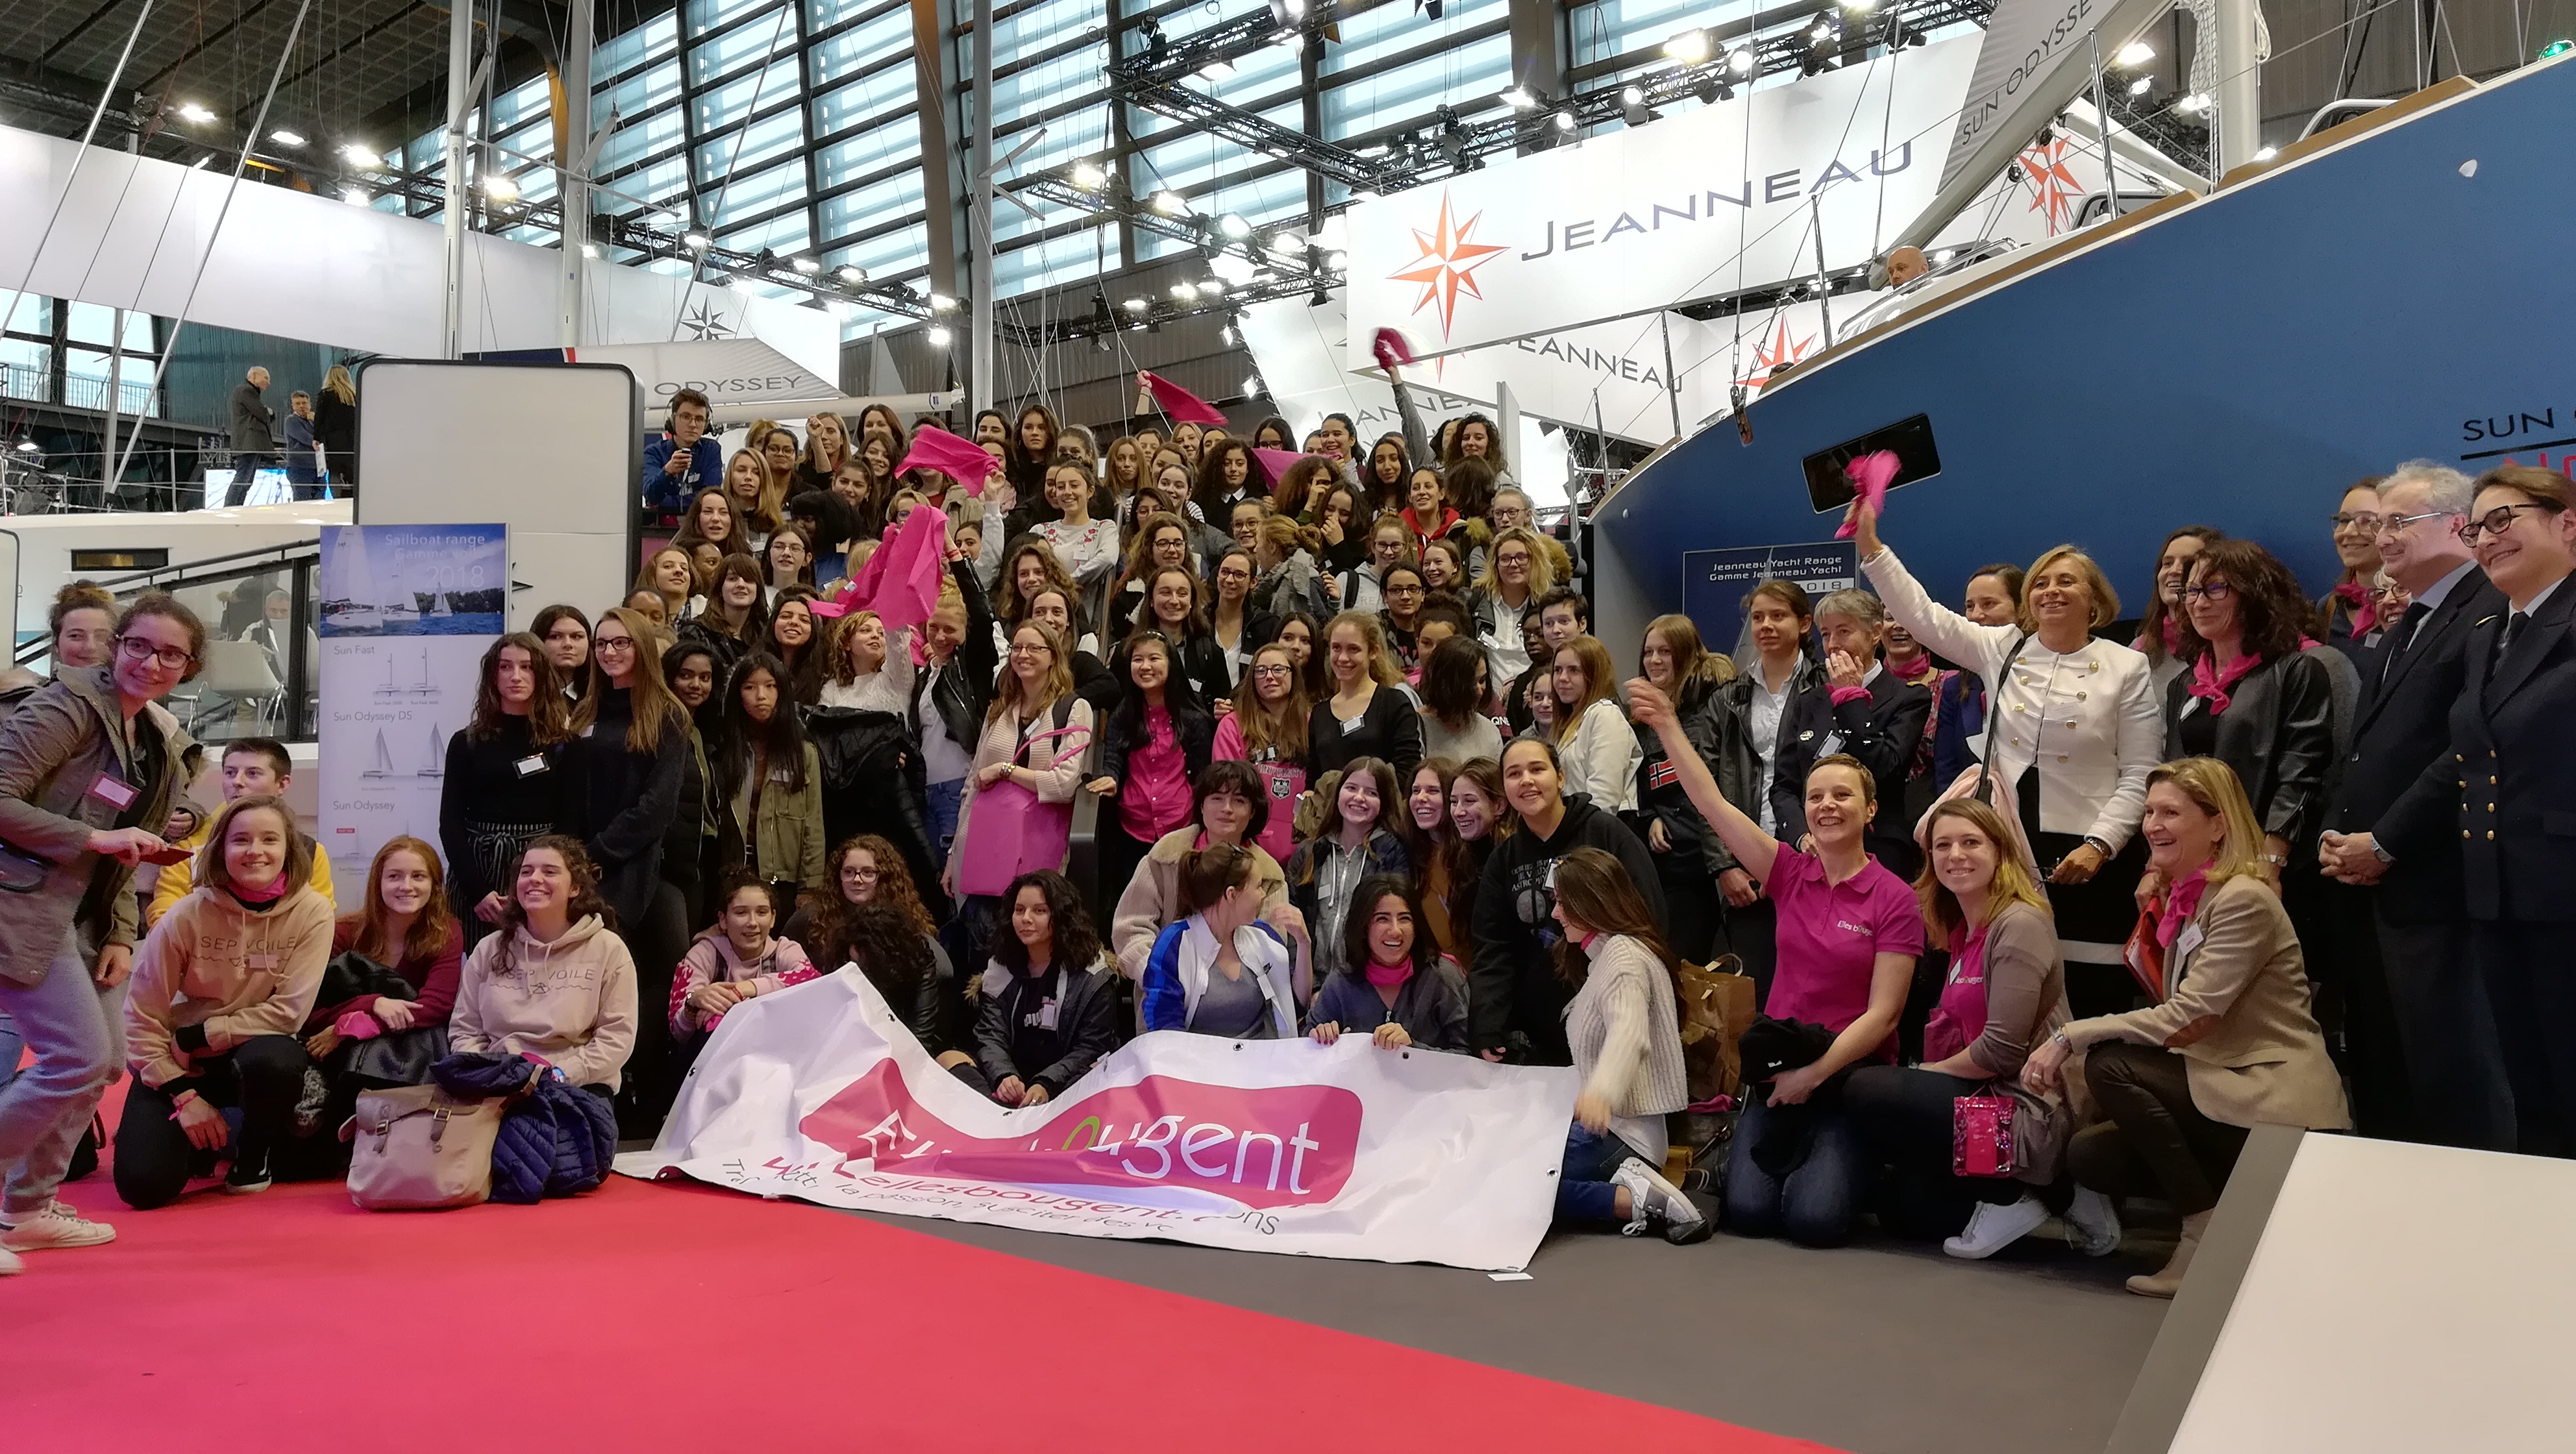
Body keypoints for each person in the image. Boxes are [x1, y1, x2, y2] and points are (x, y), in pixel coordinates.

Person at [2023, 759, 2349, 1296]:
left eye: (2171, 812)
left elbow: (2190, 1016)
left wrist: (2070, 1035)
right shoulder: (2188, 898)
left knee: (2112, 1064)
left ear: (2217, 825)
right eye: (2149, 811)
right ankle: (2243, 1226)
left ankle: (2206, 1234)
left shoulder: (2243, 898)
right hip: (2223, 1083)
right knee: (2093, 1155)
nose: (2153, 824)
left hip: (2275, 1095)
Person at [1629, 681, 1920, 1248]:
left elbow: (1885, 1017)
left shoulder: (1895, 898)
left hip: (1845, 1076)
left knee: (1814, 1222)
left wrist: (1814, 1077)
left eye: (1842, 796)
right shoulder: (1788, 871)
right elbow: (1713, 803)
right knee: (1752, 1215)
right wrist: (1667, 725)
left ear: (1871, 809)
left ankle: (1863, 1163)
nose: (1827, 807)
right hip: (1779, 1067)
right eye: (1816, 797)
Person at [1851, 502, 2159, 1018]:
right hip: (2012, 843)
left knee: (2090, 995)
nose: (2051, 591)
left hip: (2090, 854)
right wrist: (1871, 547)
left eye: (2067, 581)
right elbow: (1921, 615)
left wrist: (2101, 844)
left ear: (2096, 599)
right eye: (2041, 582)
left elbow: (2140, 773)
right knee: (2012, 982)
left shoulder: (2127, 666)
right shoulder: (2003, 648)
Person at [2368, 464, 2576, 1158]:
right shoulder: (2491, 629)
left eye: (2502, 519)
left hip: (2564, 890)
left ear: (2566, 524)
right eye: (2476, 526)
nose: (2486, 539)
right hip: (2496, 893)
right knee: (2532, 1094)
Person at [0, 593, 203, 1261]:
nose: (150, 661)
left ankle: (27, 1207)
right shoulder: (67, 706)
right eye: (139, 644)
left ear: (189, 666)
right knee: (75, 1057)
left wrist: (120, 931)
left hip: (87, 916)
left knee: (104, 1060)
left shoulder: (154, 736)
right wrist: (91, 837)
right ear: (119, 645)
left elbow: (124, 844)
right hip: (23, 903)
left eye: (169, 653)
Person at [2315, 462, 2511, 1150]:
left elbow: (2465, 746)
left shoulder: (2486, 611)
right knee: (2386, 1075)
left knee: (2452, 1079)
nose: (2380, 536)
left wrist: (2386, 840)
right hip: (2371, 888)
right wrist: (2338, 833)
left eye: (2398, 521)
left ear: (2456, 526)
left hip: (2436, 882)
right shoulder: (2410, 619)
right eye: (2374, 522)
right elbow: (2365, 750)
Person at [1844, 798, 2122, 1259]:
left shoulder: (2020, 924)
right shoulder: (1963, 928)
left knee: (1870, 1088)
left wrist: (1922, 1075)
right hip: (1987, 1097)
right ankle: (2059, 1196)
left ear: (2000, 852)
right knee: (1907, 1214)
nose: (1956, 855)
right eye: (1943, 845)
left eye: (1971, 843)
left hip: (2028, 1107)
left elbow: (1999, 1054)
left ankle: (2013, 1194)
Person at [115, 795, 334, 1206]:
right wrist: (183, 1095)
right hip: (182, 1063)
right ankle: (198, 1141)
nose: (255, 852)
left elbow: (288, 1013)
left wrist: (200, 1033)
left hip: (251, 1052)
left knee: (276, 1058)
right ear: (221, 849)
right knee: (142, 1187)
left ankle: (253, 1155)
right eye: (241, 840)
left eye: (270, 840)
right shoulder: (185, 915)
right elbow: (141, 1015)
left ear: (288, 849)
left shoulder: (313, 912)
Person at [1540, 848, 1708, 1242]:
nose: (1555, 914)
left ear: (1591, 902)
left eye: (1563, 903)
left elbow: (1628, 1032)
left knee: (1514, 1183)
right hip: (1615, 1132)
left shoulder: (1623, 958)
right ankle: (1637, 1198)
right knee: (1514, 1179)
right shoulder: (1607, 958)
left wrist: (1602, 1092)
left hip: (1620, 1136)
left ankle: (1636, 1199)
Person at [1470, 737, 1665, 1066]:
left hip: (1614, 1017)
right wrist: (1488, 1022)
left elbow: (1648, 916)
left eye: (1537, 769)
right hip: (1539, 1032)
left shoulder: (1605, 833)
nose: (1527, 781)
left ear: (1560, 777)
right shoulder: (1503, 860)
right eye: (1514, 774)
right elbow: (1493, 947)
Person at [2161, 538, 2334, 891]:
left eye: (2215, 588)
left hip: (2266, 862)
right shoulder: (2184, 682)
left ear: (2252, 595)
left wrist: (2272, 858)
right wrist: (2160, 865)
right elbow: (2175, 777)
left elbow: (2301, 773)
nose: (2199, 602)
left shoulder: (2296, 671)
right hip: (2199, 860)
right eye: (2192, 591)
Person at [571, 608, 689, 1124]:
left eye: (621, 643)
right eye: (602, 644)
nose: (610, 652)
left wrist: (594, 853)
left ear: (641, 647)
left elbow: (656, 809)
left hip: (635, 874)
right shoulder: (582, 713)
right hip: (578, 873)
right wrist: (574, 859)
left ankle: (640, 1108)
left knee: (638, 996)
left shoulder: (667, 715)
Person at [450, 836, 639, 1097]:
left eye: (549, 872)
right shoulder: (489, 948)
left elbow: (617, 1039)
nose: (535, 879)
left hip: (577, 1086)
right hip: (497, 1084)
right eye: (526, 872)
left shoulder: (609, 949)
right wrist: (486, 1073)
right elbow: (465, 1029)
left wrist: (562, 1074)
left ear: (574, 887)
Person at [1777, 590, 1932, 882]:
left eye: (1844, 632)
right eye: (1826, 634)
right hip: (1812, 849)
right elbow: (1785, 785)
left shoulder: (1908, 697)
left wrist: (1851, 698)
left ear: (1875, 633)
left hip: (1877, 848)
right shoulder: (1809, 701)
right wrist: (1800, 835)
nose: (1833, 645)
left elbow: (1886, 769)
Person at [944, 621, 1096, 909]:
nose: (1023, 655)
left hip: (1036, 848)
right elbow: (973, 785)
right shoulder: (999, 709)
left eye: (1034, 648)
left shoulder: (1073, 708)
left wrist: (1006, 771)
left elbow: (1063, 785)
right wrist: (955, 855)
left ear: (1053, 656)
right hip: (984, 847)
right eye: (1017, 648)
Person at [441, 634, 577, 952]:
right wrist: (478, 892)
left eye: (527, 667)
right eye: (506, 667)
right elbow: (450, 823)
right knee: (479, 965)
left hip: (538, 868)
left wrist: (542, 878)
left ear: (541, 675)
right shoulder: (466, 743)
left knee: (537, 959)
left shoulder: (564, 745)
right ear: (493, 675)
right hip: (477, 868)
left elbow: (570, 826)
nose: (516, 677)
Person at [308, 835, 462, 1087]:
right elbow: (312, 1013)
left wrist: (354, 1024)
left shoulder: (448, 932)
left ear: (435, 885)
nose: (406, 886)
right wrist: (373, 1003)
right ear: (377, 883)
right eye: (394, 876)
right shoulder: (343, 931)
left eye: (419, 876)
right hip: (343, 1059)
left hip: (411, 1052)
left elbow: (436, 1006)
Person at [1632, 614, 1737, 963]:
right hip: (1665, 864)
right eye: (1649, 652)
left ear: (1687, 654)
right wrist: (1649, 818)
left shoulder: (1714, 707)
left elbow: (1724, 783)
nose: (1655, 660)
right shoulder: (1641, 719)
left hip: (1710, 860)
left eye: (1665, 651)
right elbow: (1638, 784)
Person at [1087, 631, 1216, 912]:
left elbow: (1205, 774)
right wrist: (1111, 776)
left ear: (1170, 664)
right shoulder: (1124, 713)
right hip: (1133, 828)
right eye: (1137, 660)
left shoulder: (1193, 719)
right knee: (1136, 906)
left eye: (1154, 658)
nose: (1145, 666)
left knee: (1180, 904)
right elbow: (1113, 755)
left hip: (1181, 825)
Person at [147, 738, 337, 927]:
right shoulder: (188, 845)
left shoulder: (310, 852)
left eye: (253, 774)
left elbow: (320, 921)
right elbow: (164, 916)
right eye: (230, 773)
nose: (237, 782)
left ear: (282, 784)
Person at [965, 871, 1119, 1103]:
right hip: (1015, 1083)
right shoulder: (1000, 970)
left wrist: (1046, 1083)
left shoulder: (1093, 976)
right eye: (1019, 910)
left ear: (1061, 916)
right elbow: (990, 1035)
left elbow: (1091, 1048)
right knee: (952, 1060)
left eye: (1039, 911)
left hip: (1069, 1084)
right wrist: (1004, 1076)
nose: (1026, 918)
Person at [790, 835, 958, 1043]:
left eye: (868, 873)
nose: (857, 879)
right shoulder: (812, 916)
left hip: (896, 1030)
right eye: (849, 872)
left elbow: (944, 970)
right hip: (825, 1028)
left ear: (885, 877)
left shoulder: (904, 923)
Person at [1143, 844, 1301, 1040]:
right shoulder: (1174, 943)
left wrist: (1304, 943)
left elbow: (1294, 1003)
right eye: (1259, 886)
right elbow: (1164, 1025)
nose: (1263, 894)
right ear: (1232, 894)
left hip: (1260, 1062)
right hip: (1196, 1064)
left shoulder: (1264, 935)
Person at [1307, 875, 1469, 1053]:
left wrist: (1412, 1050)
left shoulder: (1442, 977)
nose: (1395, 930)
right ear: (1363, 925)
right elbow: (1304, 1049)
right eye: (1382, 919)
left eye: (1405, 919)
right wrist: (1320, 1038)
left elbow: (1471, 1056)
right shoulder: (1341, 983)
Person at [1287, 758, 1410, 988]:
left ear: (1384, 801)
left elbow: (1394, 929)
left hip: (1367, 988)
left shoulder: (1393, 854)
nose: (1359, 798)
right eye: (1351, 788)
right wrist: (1308, 987)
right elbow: (1292, 925)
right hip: (1310, 984)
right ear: (1338, 794)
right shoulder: (1310, 852)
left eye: (1371, 793)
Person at [713, 652, 828, 898]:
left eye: (770, 686)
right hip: (733, 873)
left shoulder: (803, 752)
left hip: (780, 877)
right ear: (737, 694)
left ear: (782, 692)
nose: (761, 696)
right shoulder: (723, 748)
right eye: (750, 687)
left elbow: (813, 824)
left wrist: (810, 887)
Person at [670, 870, 818, 1047]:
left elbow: (812, 978)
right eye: (741, 913)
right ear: (723, 920)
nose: (752, 923)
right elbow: (677, 1032)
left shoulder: (785, 949)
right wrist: (693, 1003)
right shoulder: (703, 953)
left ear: (773, 919)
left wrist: (742, 990)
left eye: (762, 912)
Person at [911, 570, 999, 860]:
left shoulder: (972, 670)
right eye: (934, 627)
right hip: (926, 791)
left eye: (950, 630)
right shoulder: (926, 674)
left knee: (955, 878)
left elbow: (982, 616)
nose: (939, 636)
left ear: (966, 632)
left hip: (958, 787)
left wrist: (955, 557)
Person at [1212, 642, 1311, 865]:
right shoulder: (1233, 725)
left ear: (1293, 674)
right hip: (1249, 845)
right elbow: (1227, 786)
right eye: (1261, 670)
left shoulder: (1313, 723)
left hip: (1304, 847)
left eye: (1278, 669)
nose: (1269, 676)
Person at [1933, 563, 2026, 788]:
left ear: (2022, 608)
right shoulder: (1956, 687)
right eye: (1970, 606)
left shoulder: (2041, 675)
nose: (1976, 616)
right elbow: (1946, 768)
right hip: (1973, 812)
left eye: (1989, 604)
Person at [1307, 611, 1422, 785]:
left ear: (1373, 652)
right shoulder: (1319, 713)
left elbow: (1408, 770)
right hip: (1329, 810)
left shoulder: (1394, 702)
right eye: (1336, 648)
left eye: (1353, 649)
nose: (1343, 658)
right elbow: (1313, 779)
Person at [1549, 635, 1641, 813]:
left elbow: (1604, 798)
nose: (1562, 678)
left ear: (1595, 675)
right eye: (1558, 670)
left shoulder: (1606, 716)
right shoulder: (1568, 724)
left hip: (1604, 830)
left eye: (1574, 670)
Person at [2135, 526, 2225, 698]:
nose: (2174, 571)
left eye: (2187, 563)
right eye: (2167, 563)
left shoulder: (2227, 647)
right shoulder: (2139, 651)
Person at [1467, 526, 1551, 689]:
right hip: (1488, 704)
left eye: (1521, 557)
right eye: (1505, 559)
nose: (1513, 564)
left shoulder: (1548, 606)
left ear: (1535, 561)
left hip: (1536, 699)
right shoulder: (1475, 603)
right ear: (1495, 564)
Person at [1130, 565, 1227, 705]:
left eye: (1182, 594)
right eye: (1166, 593)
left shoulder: (1210, 654)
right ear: (1151, 599)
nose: (1174, 601)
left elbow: (1224, 702)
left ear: (1192, 602)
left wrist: (1219, 712)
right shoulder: (1128, 652)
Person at [2316, 479, 2387, 671]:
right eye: (2344, 520)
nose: (2348, 532)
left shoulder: (2415, 609)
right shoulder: (2328, 608)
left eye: (2367, 521)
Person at [682, 554, 770, 681]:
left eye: (749, 579)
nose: (741, 584)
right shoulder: (696, 633)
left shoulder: (767, 636)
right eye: (732, 579)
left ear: (758, 589)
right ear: (720, 589)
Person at [1417, 635, 1501, 763]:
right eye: (1470, 684)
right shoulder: (1415, 726)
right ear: (1447, 684)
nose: (1479, 691)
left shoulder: (1489, 731)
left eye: (1482, 681)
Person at [1207, 547, 1272, 696]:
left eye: (1239, 575)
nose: (1229, 580)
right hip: (1208, 712)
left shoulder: (1266, 624)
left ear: (1253, 582)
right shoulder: (1199, 622)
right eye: (1225, 572)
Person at [643, 389, 722, 512]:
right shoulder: (653, 452)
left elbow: (711, 497)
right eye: (686, 417)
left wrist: (665, 503)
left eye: (700, 419)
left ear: (707, 425)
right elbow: (651, 496)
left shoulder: (711, 450)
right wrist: (667, 472)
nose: (693, 424)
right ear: (673, 419)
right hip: (661, 529)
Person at [1337, 515, 1415, 617]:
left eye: (1396, 545)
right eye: (1382, 545)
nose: (1388, 552)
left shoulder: (1413, 586)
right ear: (1373, 547)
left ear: (1406, 548)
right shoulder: (1347, 581)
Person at [223, 366, 276, 507]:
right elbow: (262, 413)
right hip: (248, 443)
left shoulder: (246, 391)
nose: (268, 383)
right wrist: (268, 412)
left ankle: (236, 507)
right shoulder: (246, 390)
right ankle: (231, 508)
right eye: (266, 378)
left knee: (246, 480)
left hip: (250, 444)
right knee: (243, 478)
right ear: (254, 376)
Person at [313, 364, 358, 487]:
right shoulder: (353, 396)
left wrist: (316, 438)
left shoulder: (325, 395)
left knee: (335, 470)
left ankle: (337, 496)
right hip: (352, 438)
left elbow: (319, 418)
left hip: (332, 438)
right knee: (352, 467)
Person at [282, 391, 322, 497]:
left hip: (318, 468)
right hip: (299, 468)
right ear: (293, 406)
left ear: (309, 404)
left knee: (320, 503)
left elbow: (324, 437)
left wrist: (316, 421)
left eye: (304, 403)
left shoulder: (314, 420)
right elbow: (309, 439)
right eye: (298, 404)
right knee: (303, 502)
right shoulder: (291, 421)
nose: (301, 406)